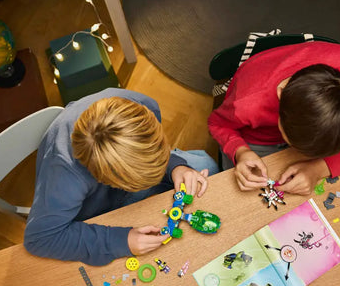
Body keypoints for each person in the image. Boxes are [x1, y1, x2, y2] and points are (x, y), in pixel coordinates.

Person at [24, 88, 218, 266]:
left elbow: (149, 150)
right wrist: (121, 241)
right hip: (93, 205)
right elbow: (40, 238)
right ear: (105, 179)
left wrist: (175, 166)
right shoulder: (64, 178)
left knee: (205, 166)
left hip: (122, 172)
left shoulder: (140, 107)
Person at [208, 41, 340, 195]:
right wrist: (240, 152)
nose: (294, 151)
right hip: (254, 138)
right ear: (281, 94)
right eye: (289, 140)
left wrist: (319, 168)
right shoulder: (246, 104)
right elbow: (217, 124)